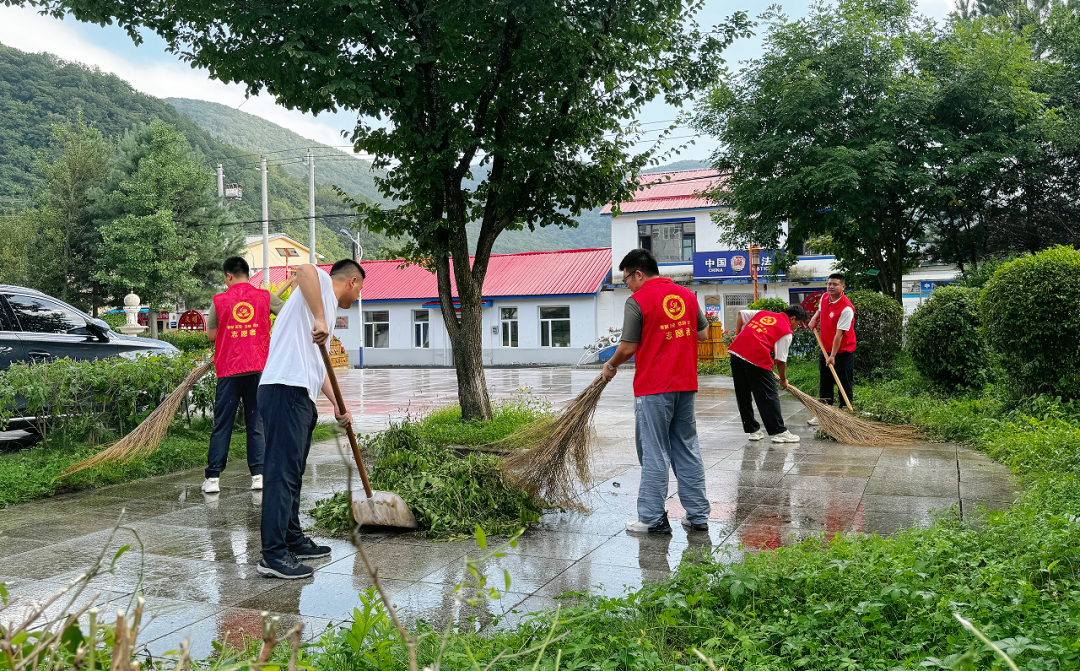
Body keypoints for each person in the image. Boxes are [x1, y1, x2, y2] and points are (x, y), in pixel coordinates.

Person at [257, 260, 363, 579]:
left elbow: (320, 367)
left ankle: (291, 539)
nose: (357, 298)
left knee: (294, 472)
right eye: (360, 291)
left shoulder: (323, 307)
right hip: (284, 388)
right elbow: (303, 270)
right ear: (353, 281)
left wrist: (337, 405)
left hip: (299, 391)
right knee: (282, 473)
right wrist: (319, 316)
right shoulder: (319, 289)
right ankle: (273, 555)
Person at [601, 249, 711, 536]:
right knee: (687, 447)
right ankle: (698, 515)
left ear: (639, 273)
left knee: (654, 452)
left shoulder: (637, 300)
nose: (626, 284)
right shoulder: (686, 296)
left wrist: (610, 366)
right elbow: (702, 334)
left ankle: (652, 518)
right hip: (685, 384)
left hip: (654, 387)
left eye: (627, 278)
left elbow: (627, 347)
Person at [202, 257, 288, 494]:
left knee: (223, 425)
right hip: (259, 369)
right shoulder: (265, 297)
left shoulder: (218, 301)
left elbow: (211, 336)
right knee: (256, 423)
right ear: (247, 274)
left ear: (228, 276)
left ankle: (213, 479)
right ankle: (258, 475)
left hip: (229, 371)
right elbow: (287, 317)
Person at [727, 305, 807, 443]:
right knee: (769, 395)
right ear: (793, 318)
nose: (797, 327)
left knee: (743, 393)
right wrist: (783, 380)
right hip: (755, 356)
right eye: (799, 324)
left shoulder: (764, 313)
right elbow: (781, 361)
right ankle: (778, 431)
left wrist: (738, 333)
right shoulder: (786, 331)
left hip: (737, 352)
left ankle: (753, 430)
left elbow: (740, 314)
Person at [806, 273, 856, 425]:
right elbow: (820, 311)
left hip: (843, 351)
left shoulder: (847, 309)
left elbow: (839, 335)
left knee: (844, 381)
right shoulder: (825, 298)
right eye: (829, 284)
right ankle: (824, 413)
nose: (831, 287)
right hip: (825, 347)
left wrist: (832, 356)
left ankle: (844, 411)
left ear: (843, 287)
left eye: (835, 284)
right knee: (825, 382)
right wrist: (814, 319)